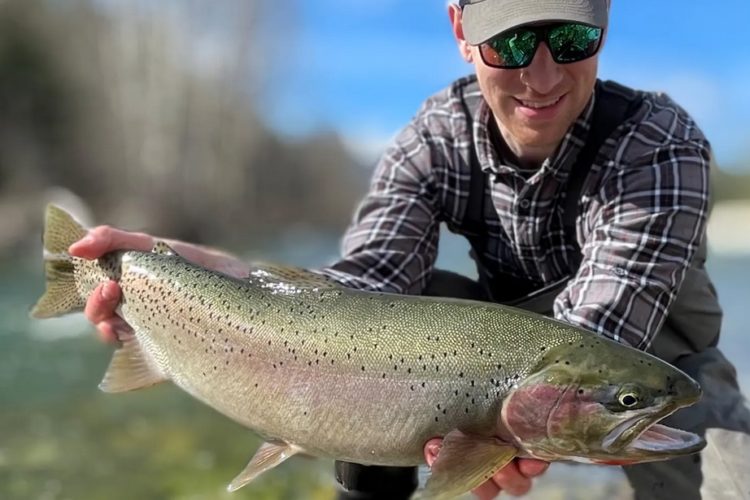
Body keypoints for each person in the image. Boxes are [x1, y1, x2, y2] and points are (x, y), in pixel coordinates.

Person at [69, 0, 750, 499]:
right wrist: (208, 277)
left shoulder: (660, 142)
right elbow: (357, 291)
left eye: (571, 40)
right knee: (380, 340)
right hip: (503, 382)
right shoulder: (433, 138)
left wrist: (505, 438)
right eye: (510, 45)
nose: (542, 78)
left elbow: (600, 333)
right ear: (461, 29)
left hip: (649, 370)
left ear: (604, 27)